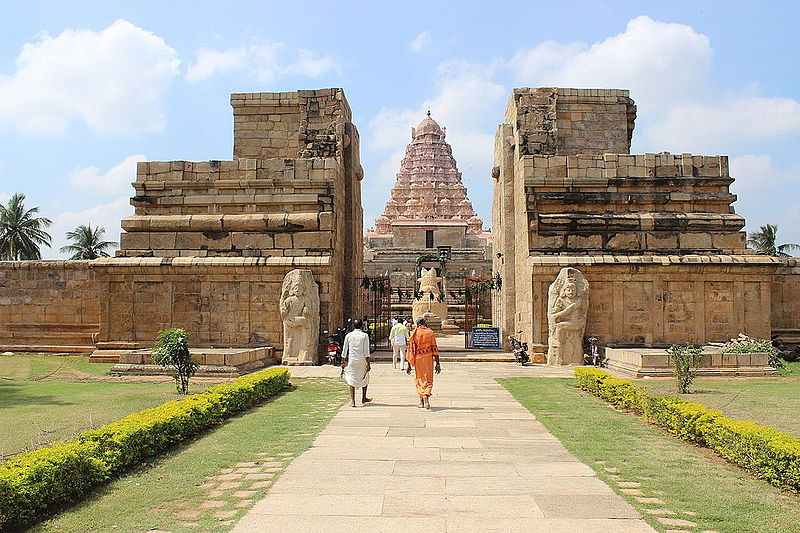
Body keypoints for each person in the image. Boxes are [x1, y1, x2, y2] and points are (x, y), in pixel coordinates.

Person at [406, 316, 441, 409]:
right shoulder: (430, 332)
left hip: (418, 359)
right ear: (425, 323)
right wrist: (438, 363)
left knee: (419, 379)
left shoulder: (414, 333)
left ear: (417, 324)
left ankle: (421, 400)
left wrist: (409, 364)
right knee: (428, 379)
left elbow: (410, 350)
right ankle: (426, 396)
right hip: (428, 359)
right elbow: (434, 348)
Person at [341, 319, 372, 407]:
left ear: (353, 326)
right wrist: (368, 363)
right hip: (362, 360)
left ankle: (353, 401)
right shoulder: (364, 335)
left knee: (351, 379)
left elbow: (344, 349)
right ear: (362, 326)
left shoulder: (349, 335)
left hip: (352, 360)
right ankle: (363, 397)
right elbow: (366, 351)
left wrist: (343, 361)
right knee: (364, 378)